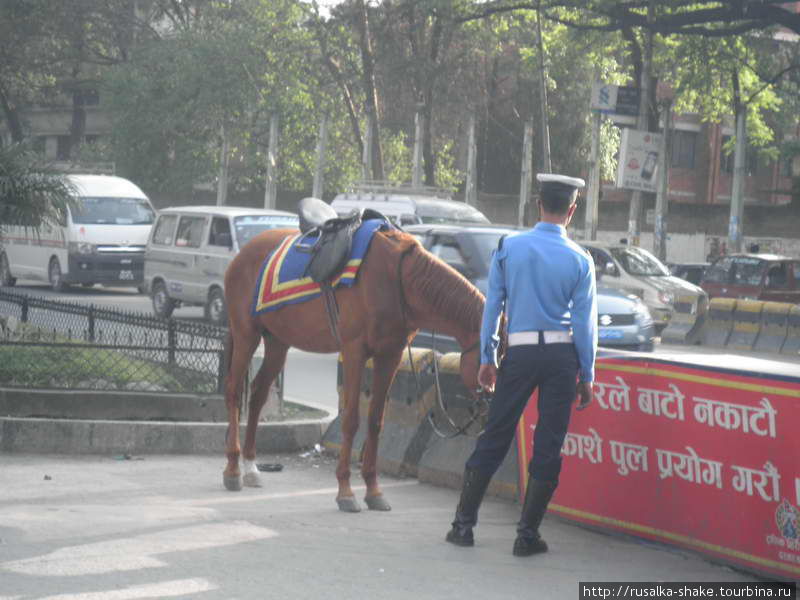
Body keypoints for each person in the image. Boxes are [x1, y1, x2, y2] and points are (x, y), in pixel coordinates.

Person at [445, 173, 597, 557]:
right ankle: (526, 535)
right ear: (572, 210)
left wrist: (487, 356)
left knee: (495, 435)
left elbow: (493, 306)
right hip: (562, 359)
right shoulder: (581, 259)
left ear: (537, 204)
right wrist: (587, 375)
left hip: (521, 354)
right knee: (548, 444)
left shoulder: (509, 247)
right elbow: (584, 325)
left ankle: (463, 527)